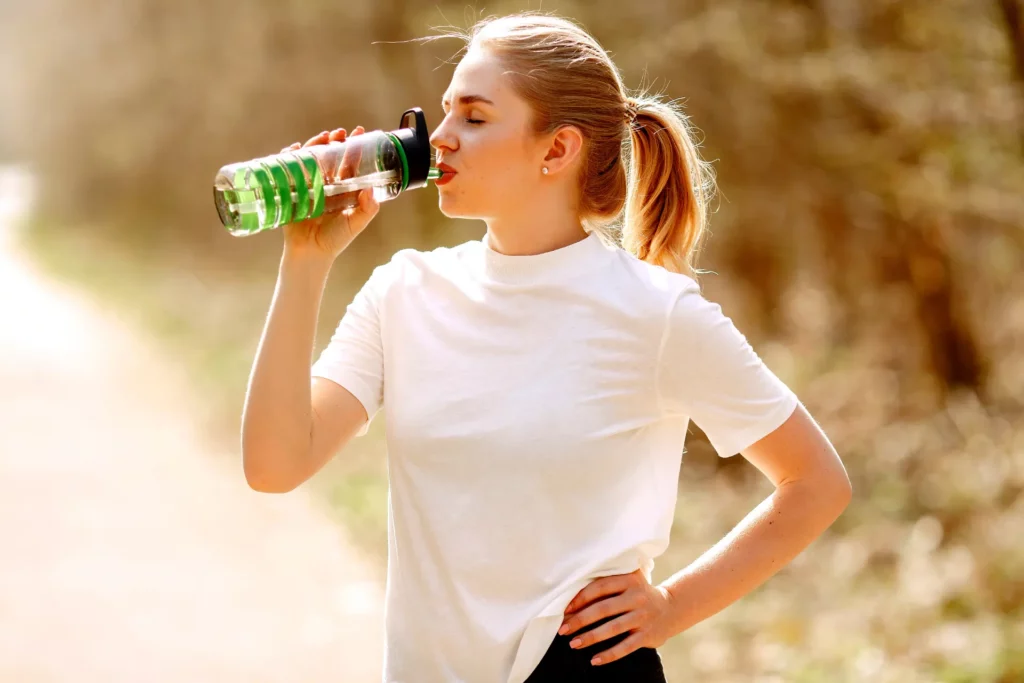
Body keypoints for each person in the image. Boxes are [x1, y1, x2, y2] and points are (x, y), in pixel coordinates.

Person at [240, 11, 852, 683]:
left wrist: (671, 604)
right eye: (445, 112)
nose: (439, 138)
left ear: (556, 150)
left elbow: (815, 482)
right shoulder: (404, 292)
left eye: (473, 118)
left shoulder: (656, 313)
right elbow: (275, 463)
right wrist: (305, 261)